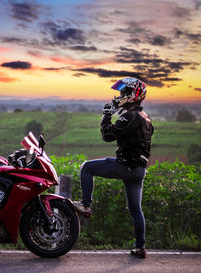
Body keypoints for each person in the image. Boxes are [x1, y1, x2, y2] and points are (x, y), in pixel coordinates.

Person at [73, 77, 154, 259]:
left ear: (132, 95)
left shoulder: (129, 115)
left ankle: (86, 205)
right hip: (139, 170)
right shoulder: (145, 118)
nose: (119, 96)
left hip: (125, 166)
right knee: (136, 210)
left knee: (86, 167)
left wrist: (106, 115)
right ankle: (140, 247)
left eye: (123, 92)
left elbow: (107, 135)